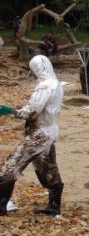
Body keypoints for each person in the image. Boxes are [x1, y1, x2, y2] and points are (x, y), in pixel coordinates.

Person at [0, 55, 64, 217]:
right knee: (47, 167)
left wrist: (12, 111)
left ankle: (0, 206)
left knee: (11, 166)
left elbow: (32, 111)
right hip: (49, 130)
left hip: (38, 134)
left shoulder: (44, 86)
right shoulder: (56, 84)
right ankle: (54, 206)